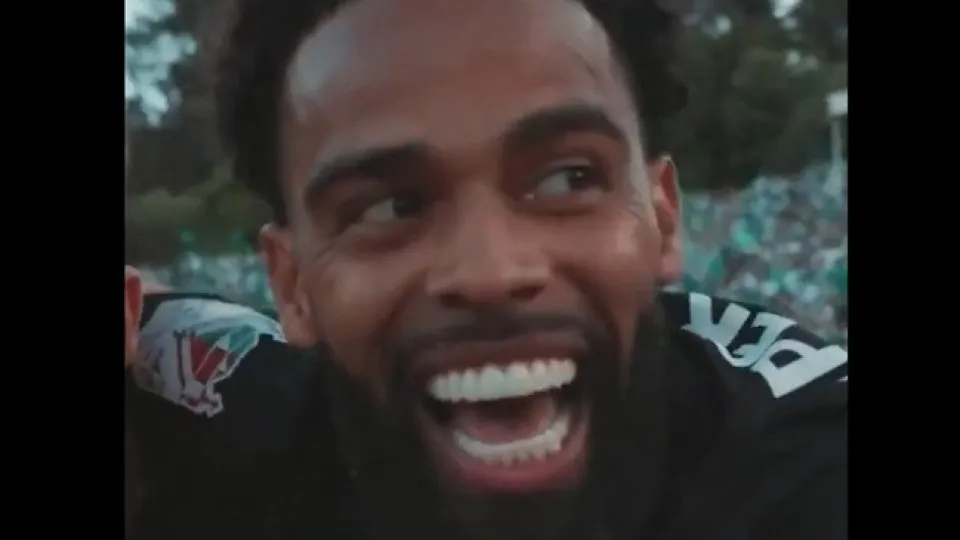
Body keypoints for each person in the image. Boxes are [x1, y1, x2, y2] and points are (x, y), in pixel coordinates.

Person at [127, 0, 848, 538]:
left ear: (662, 216)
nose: (491, 271)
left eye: (568, 179)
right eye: (390, 207)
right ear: (292, 285)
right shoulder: (229, 404)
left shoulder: (804, 462)